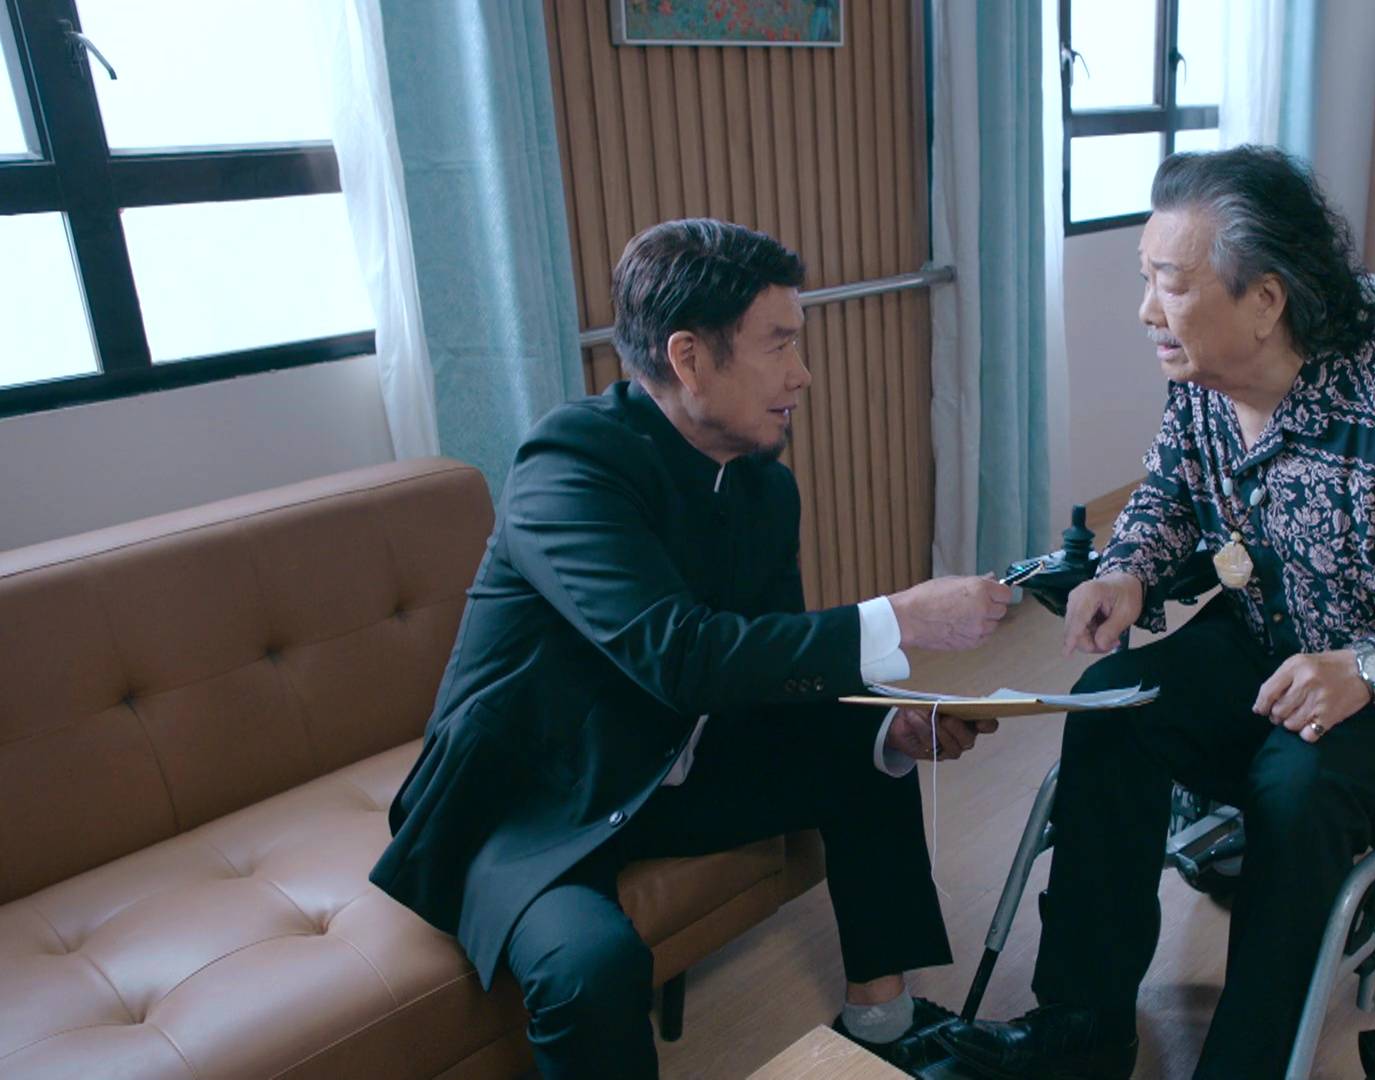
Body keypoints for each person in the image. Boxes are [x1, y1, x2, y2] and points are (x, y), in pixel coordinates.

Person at [939, 147, 1375, 1078]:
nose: (1146, 309)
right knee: (1110, 708)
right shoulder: (1200, 389)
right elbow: (1167, 494)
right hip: (1263, 643)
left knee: (1292, 789)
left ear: (1265, 301)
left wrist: (1370, 668)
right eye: (1145, 278)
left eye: (1171, 283)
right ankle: (1083, 1027)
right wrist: (1129, 572)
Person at [371, 218, 1012, 1079]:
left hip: (666, 764)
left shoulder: (762, 486)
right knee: (589, 968)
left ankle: (883, 1026)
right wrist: (901, 618)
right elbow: (679, 656)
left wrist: (881, 725)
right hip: (535, 799)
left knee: (868, 750)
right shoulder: (568, 466)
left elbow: (773, 664)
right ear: (689, 357)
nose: (802, 374)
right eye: (779, 344)